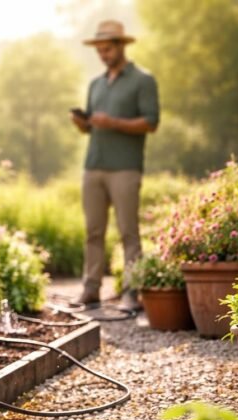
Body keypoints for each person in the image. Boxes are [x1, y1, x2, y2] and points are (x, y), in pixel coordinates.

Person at [71, 20, 159, 310]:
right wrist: (82, 124)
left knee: (128, 233)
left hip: (125, 167)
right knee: (93, 232)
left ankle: (131, 293)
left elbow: (151, 122)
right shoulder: (95, 84)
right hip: (93, 165)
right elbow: (91, 127)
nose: (103, 55)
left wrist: (113, 122)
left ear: (121, 46)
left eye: (107, 49)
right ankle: (91, 289)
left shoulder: (143, 80)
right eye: (99, 50)